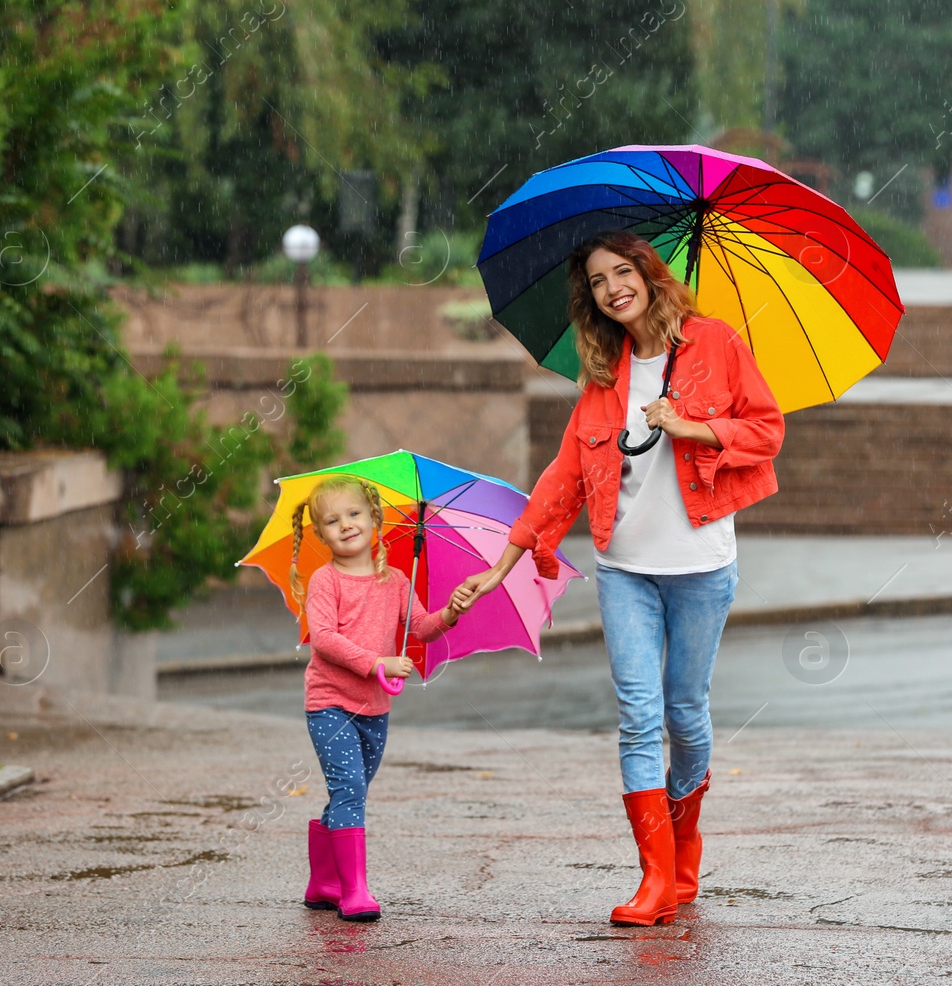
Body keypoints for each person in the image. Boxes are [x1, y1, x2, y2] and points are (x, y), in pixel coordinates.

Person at [453, 229, 785, 926]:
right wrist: (503, 564)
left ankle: (685, 838)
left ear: (649, 273)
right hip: (624, 567)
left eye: (621, 271)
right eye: (598, 281)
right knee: (638, 718)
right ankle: (655, 880)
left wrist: (698, 429)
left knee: (684, 713)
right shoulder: (604, 370)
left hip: (700, 566)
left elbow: (767, 428)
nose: (612, 288)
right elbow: (564, 476)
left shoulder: (716, 344)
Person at [290, 474, 468, 922]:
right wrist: (377, 663)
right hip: (329, 703)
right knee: (350, 788)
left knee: (350, 790)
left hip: (374, 709)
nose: (346, 525)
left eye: (354, 514)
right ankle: (355, 892)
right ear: (319, 534)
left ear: (375, 519)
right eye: (333, 520)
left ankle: (323, 882)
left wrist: (450, 612)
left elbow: (421, 627)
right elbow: (325, 639)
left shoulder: (395, 581)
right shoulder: (325, 582)